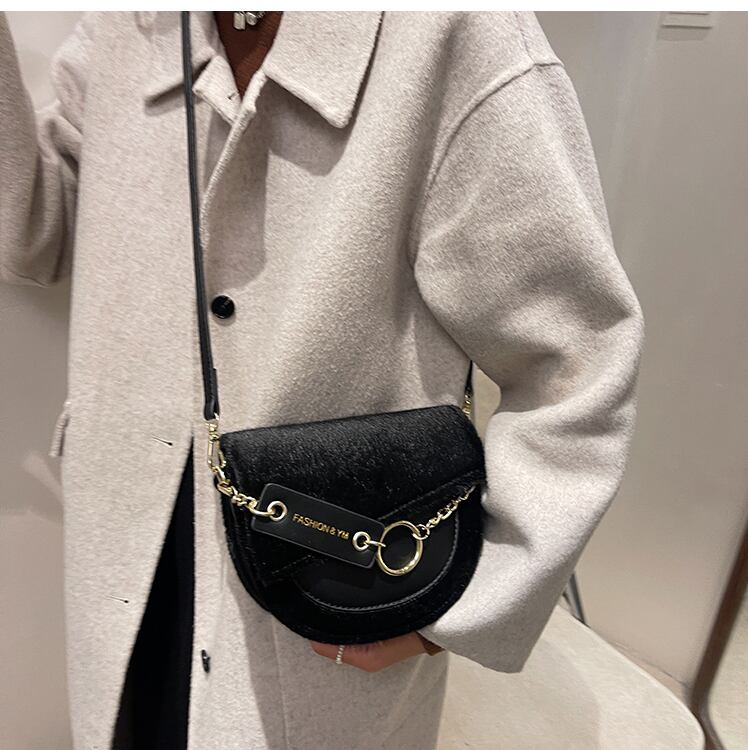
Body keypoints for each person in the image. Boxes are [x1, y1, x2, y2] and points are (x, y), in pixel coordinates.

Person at [0, 10, 645, 750]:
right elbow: (34, 231)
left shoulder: (453, 33)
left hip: (331, 586)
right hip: (126, 552)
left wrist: (467, 600)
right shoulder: (128, 26)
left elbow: (576, 358)